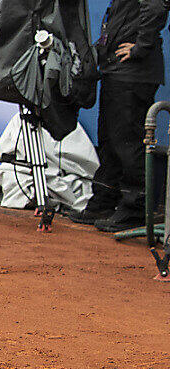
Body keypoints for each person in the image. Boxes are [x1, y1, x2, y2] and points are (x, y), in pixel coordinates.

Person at [68, 0, 167, 231]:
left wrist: (140, 47)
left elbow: (156, 7)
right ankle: (104, 201)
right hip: (116, 72)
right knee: (110, 142)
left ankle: (134, 210)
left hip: (133, 75)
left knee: (127, 143)